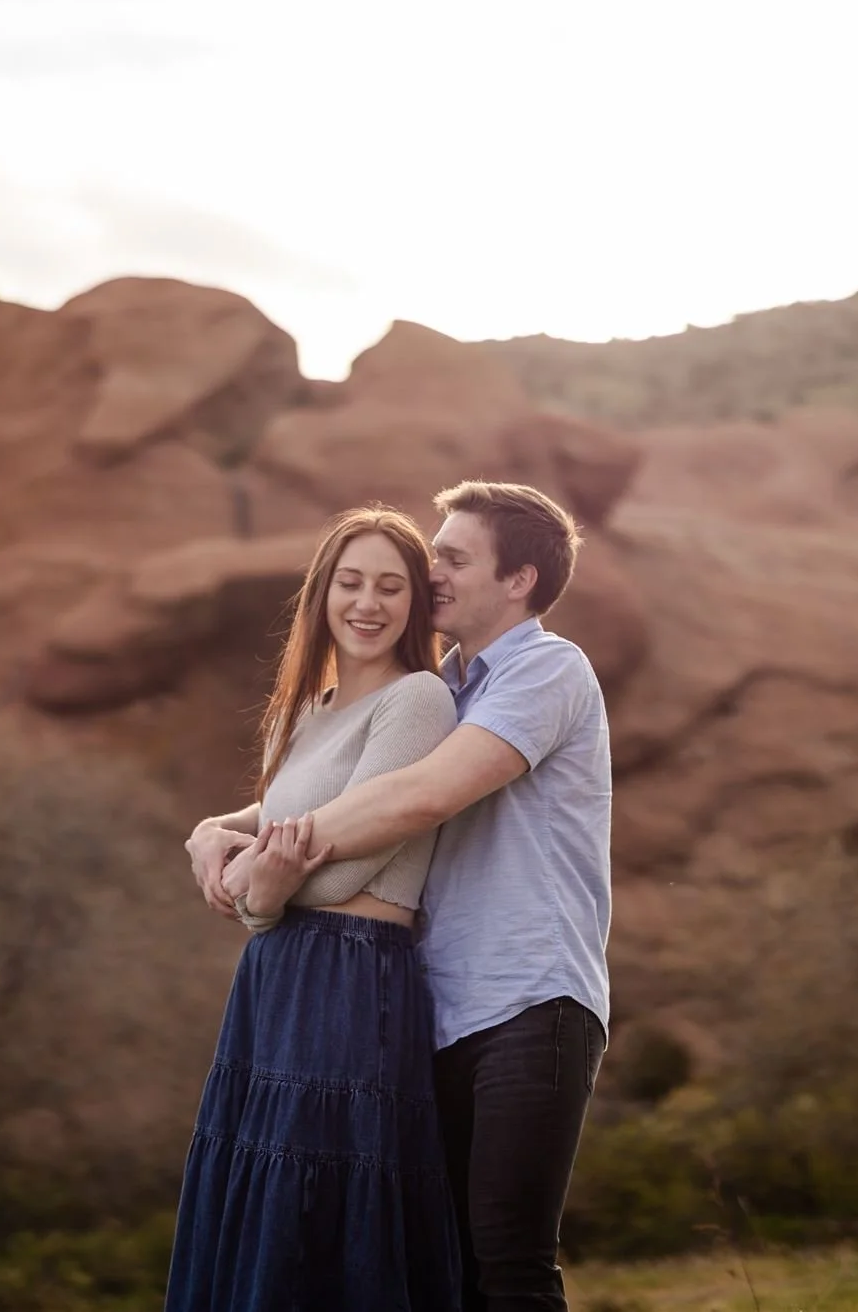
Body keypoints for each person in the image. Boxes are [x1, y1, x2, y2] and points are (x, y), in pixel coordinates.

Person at [211, 480, 612, 1312]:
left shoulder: (545, 670)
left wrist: (265, 867)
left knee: (509, 1263)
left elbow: (419, 795)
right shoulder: (455, 683)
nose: (432, 574)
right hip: (439, 1010)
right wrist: (227, 823)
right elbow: (360, 780)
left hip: (531, 1002)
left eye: (455, 558)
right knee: (448, 1269)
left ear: (520, 581)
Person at [168, 505, 466, 1312]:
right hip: (277, 979)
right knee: (263, 1191)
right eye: (351, 581)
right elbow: (277, 823)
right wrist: (208, 829)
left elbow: (340, 874)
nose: (367, 603)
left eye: (391, 586)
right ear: (322, 592)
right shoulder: (306, 709)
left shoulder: (417, 701)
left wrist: (258, 898)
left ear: (415, 604)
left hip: (353, 975)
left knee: (325, 1201)